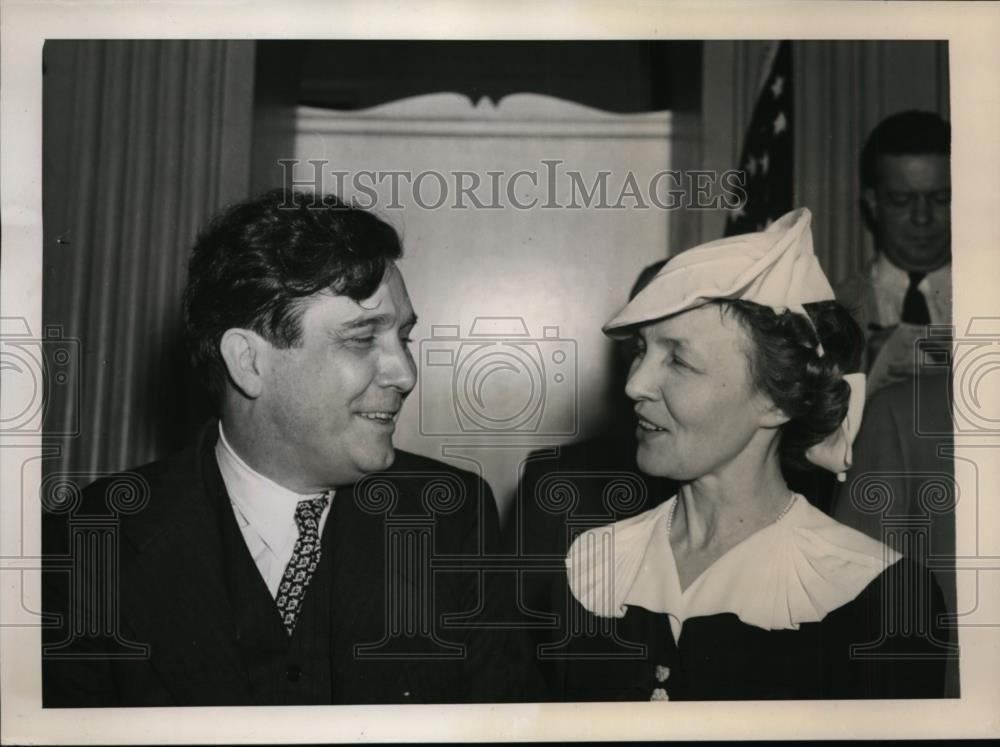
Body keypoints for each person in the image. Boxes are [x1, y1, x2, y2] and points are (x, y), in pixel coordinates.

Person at [42, 189, 541, 706]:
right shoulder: (87, 546)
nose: (406, 373)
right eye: (362, 338)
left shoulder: (452, 516)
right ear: (249, 362)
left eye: (404, 338)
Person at [551, 208, 951, 700]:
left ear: (776, 400)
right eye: (641, 350)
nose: (635, 384)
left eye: (677, 359)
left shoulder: (880, 596)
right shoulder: (592, 568)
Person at [835, 110, 951, 394]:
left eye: (941, 199)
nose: (921, 217)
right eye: (902, 200)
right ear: (873, 203)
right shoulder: (830, 310)